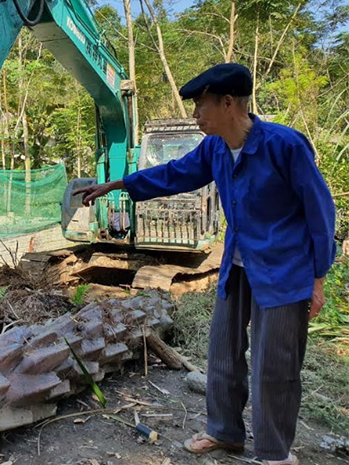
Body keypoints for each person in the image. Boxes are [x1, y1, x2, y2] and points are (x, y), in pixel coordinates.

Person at [74, 63, 336, 465]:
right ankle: (225, 432)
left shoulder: (285, 146)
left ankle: (274, 453)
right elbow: (176, 173)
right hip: (237, 266)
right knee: (223, 352)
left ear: (229, 103)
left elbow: (321, 214)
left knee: (274, 363)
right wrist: (118, 184)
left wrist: (317, 279)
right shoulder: (215, 148)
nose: (196, 115)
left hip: (284, 271)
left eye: (201, 106)